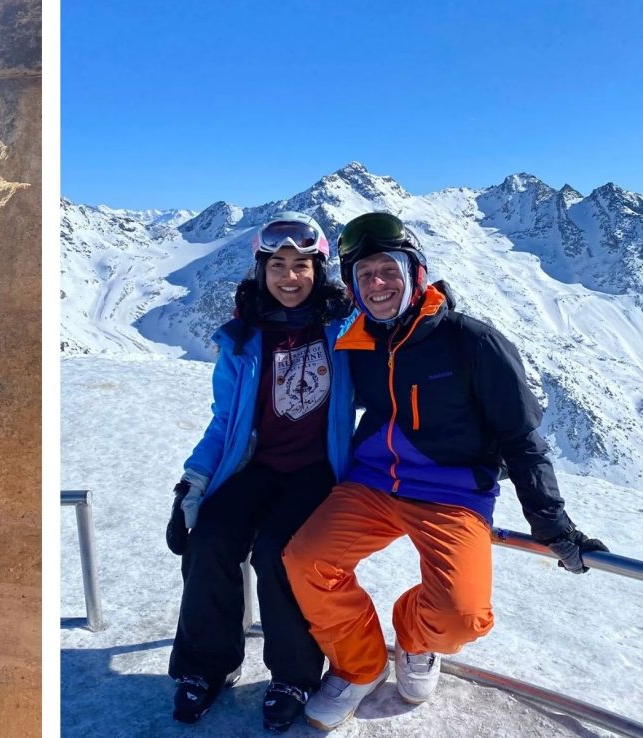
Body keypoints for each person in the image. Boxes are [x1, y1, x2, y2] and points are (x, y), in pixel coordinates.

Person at [282, 212, 609, 731]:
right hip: (372, 483)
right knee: (306, 560)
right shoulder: (357, 340)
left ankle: (415, 641)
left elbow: (520, 437)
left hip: (452, 492)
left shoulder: (471, 342)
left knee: (461, 616)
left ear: (416, 272)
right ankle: (360, 664)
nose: (378, 284)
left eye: (388, 270)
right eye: (364, 276)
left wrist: (551, 523)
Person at [165, 212, 357, 732]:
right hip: (256, 465)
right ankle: (207, 666)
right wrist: (196, 479)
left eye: (301, 265)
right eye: (277, 265)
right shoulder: (242, 338)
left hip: (317, 471)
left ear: (319, 270)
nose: (289, 277)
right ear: (260, 270)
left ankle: (293, 675)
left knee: (280, 553)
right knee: (209, 538)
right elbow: (225, 420)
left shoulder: (344, 329)